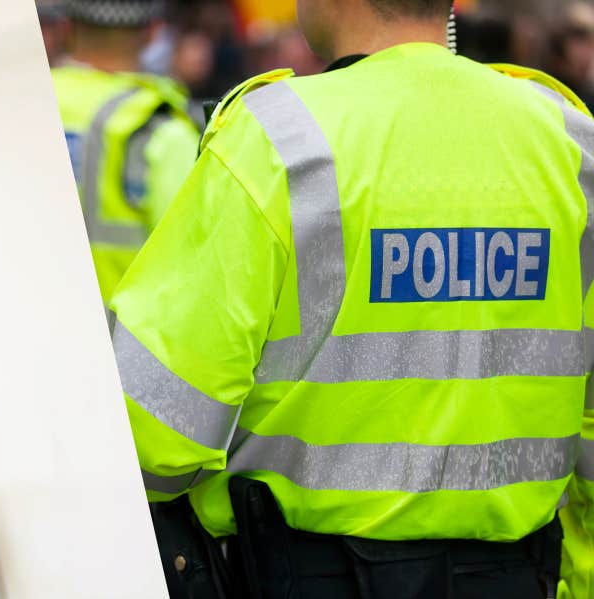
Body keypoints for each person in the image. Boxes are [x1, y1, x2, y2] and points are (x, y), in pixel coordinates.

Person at [109, 0, 594, 597]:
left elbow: (153, 433)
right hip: (518, 577)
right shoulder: (572, 143)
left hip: (302, 574)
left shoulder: (276, 141)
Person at [52, 0, 202, 308]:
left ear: (66, 28)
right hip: (123, 346)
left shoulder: (18, 107)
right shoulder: (160, 127)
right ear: (152, 33)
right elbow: (195, 265)